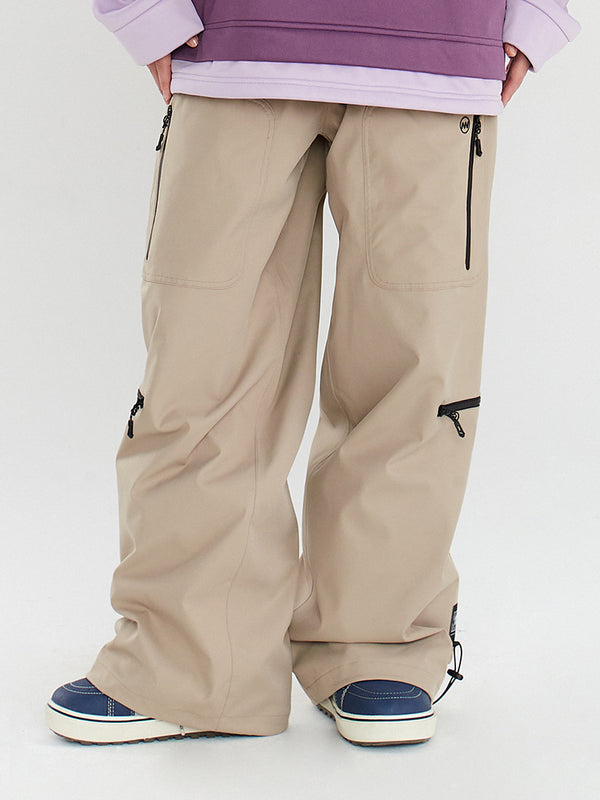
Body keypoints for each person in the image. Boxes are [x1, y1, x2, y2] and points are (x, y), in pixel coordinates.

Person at [46, 0, 581, 747]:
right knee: (201, 369)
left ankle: (378, 643)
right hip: (235, 45)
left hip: (438, 49)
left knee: (414, 379)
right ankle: (190, 661)